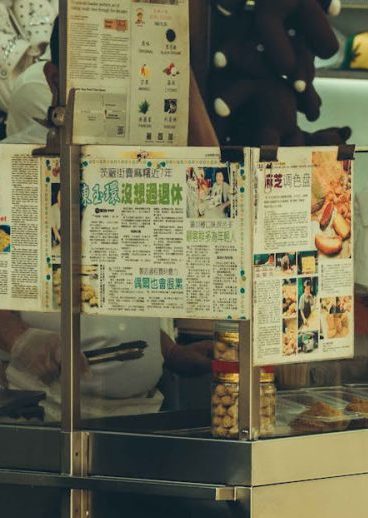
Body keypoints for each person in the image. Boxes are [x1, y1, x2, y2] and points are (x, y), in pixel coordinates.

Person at [0, 17, 214, 419]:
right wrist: (20, 338)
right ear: (53, 77)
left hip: (146, 412)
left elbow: (215, 190)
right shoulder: (11, 164)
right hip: (44, 413)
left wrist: (168, 351)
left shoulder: (137, 164)